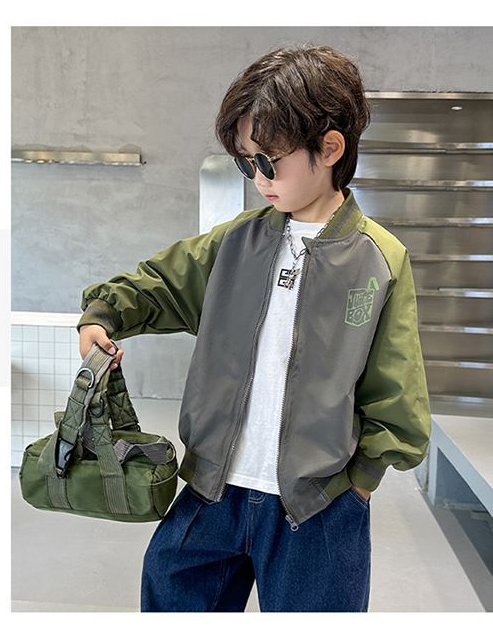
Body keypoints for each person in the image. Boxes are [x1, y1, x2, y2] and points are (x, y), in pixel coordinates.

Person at [76, 43, 431, 612]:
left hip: (317, 506)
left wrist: (362, 480)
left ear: (330, 148)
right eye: (247, 162)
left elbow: (397, 384)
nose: (259, 177)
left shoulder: (379, 259)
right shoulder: (237, 240)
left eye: (269, 160)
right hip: (212, 490)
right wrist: (104, 314)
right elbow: (161, 283)